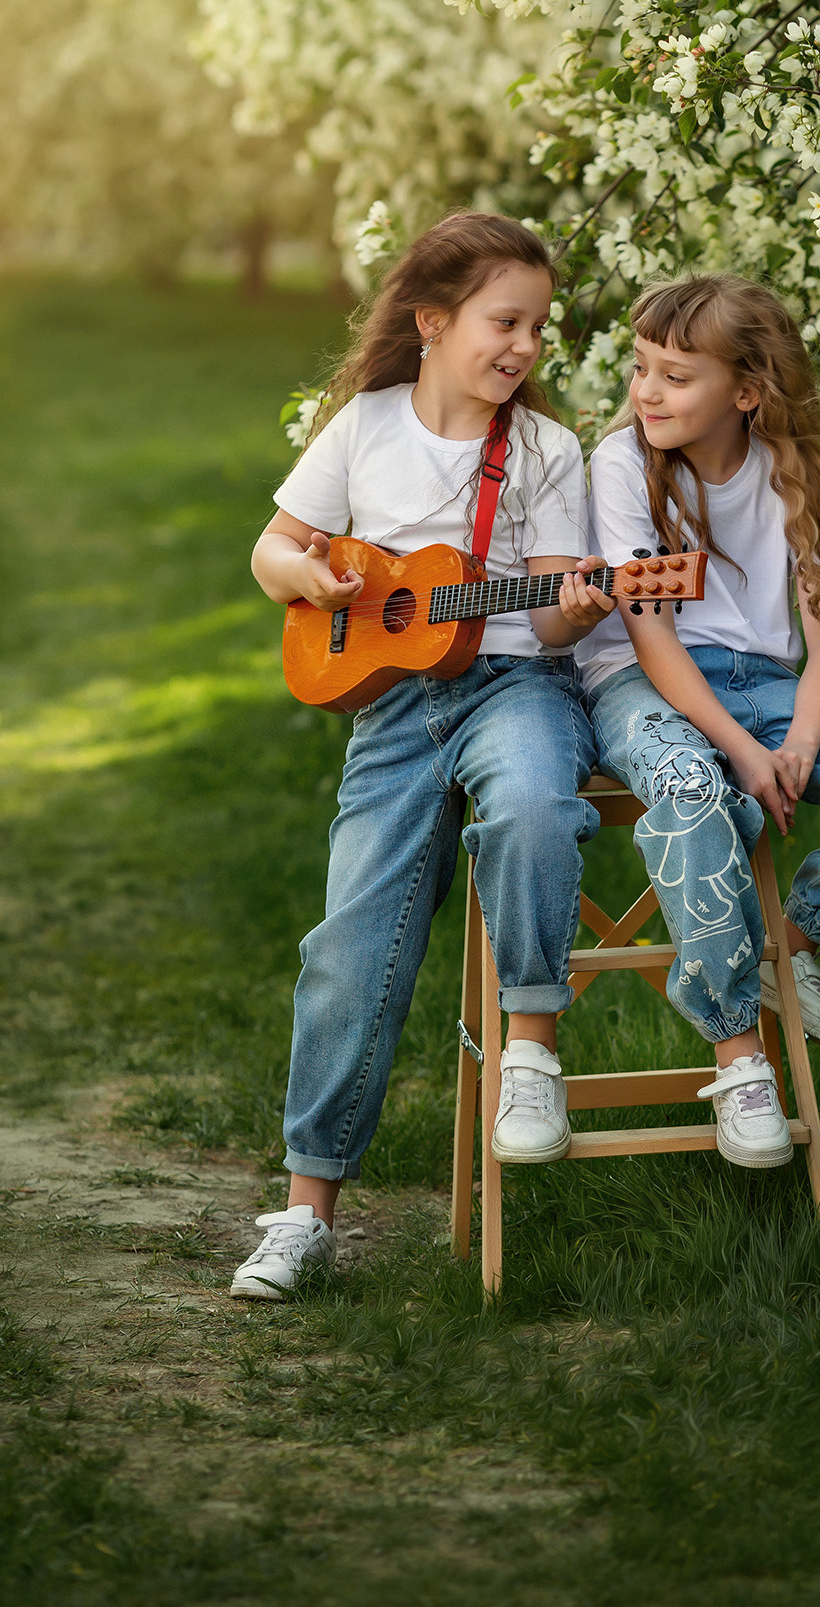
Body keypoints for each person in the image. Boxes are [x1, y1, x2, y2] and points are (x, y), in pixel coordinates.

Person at [230, 212, 615, 1300]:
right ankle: (305, 1211)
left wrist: (580, 611)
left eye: (539, 329)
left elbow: (543, 617)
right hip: (392, 711)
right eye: (505, 322)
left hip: (514, 688)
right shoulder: (364, 425)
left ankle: (531, 1051)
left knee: (539, 803)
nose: (524, 348)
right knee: (351, 950)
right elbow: (274, 547)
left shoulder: (543, 450)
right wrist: (309, 582)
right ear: (433, 320)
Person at [581, 275, 820, 1170]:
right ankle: (739, 1058)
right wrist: (742, 754)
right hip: (646, 686)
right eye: (642, 368)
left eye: (676, 377)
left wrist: (794, 741)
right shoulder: (624, 464)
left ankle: (782, 946)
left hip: (769, 684)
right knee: (692, 789)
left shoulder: (791, 468)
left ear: (747, 391)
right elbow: (650, 638)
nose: (646, 391)